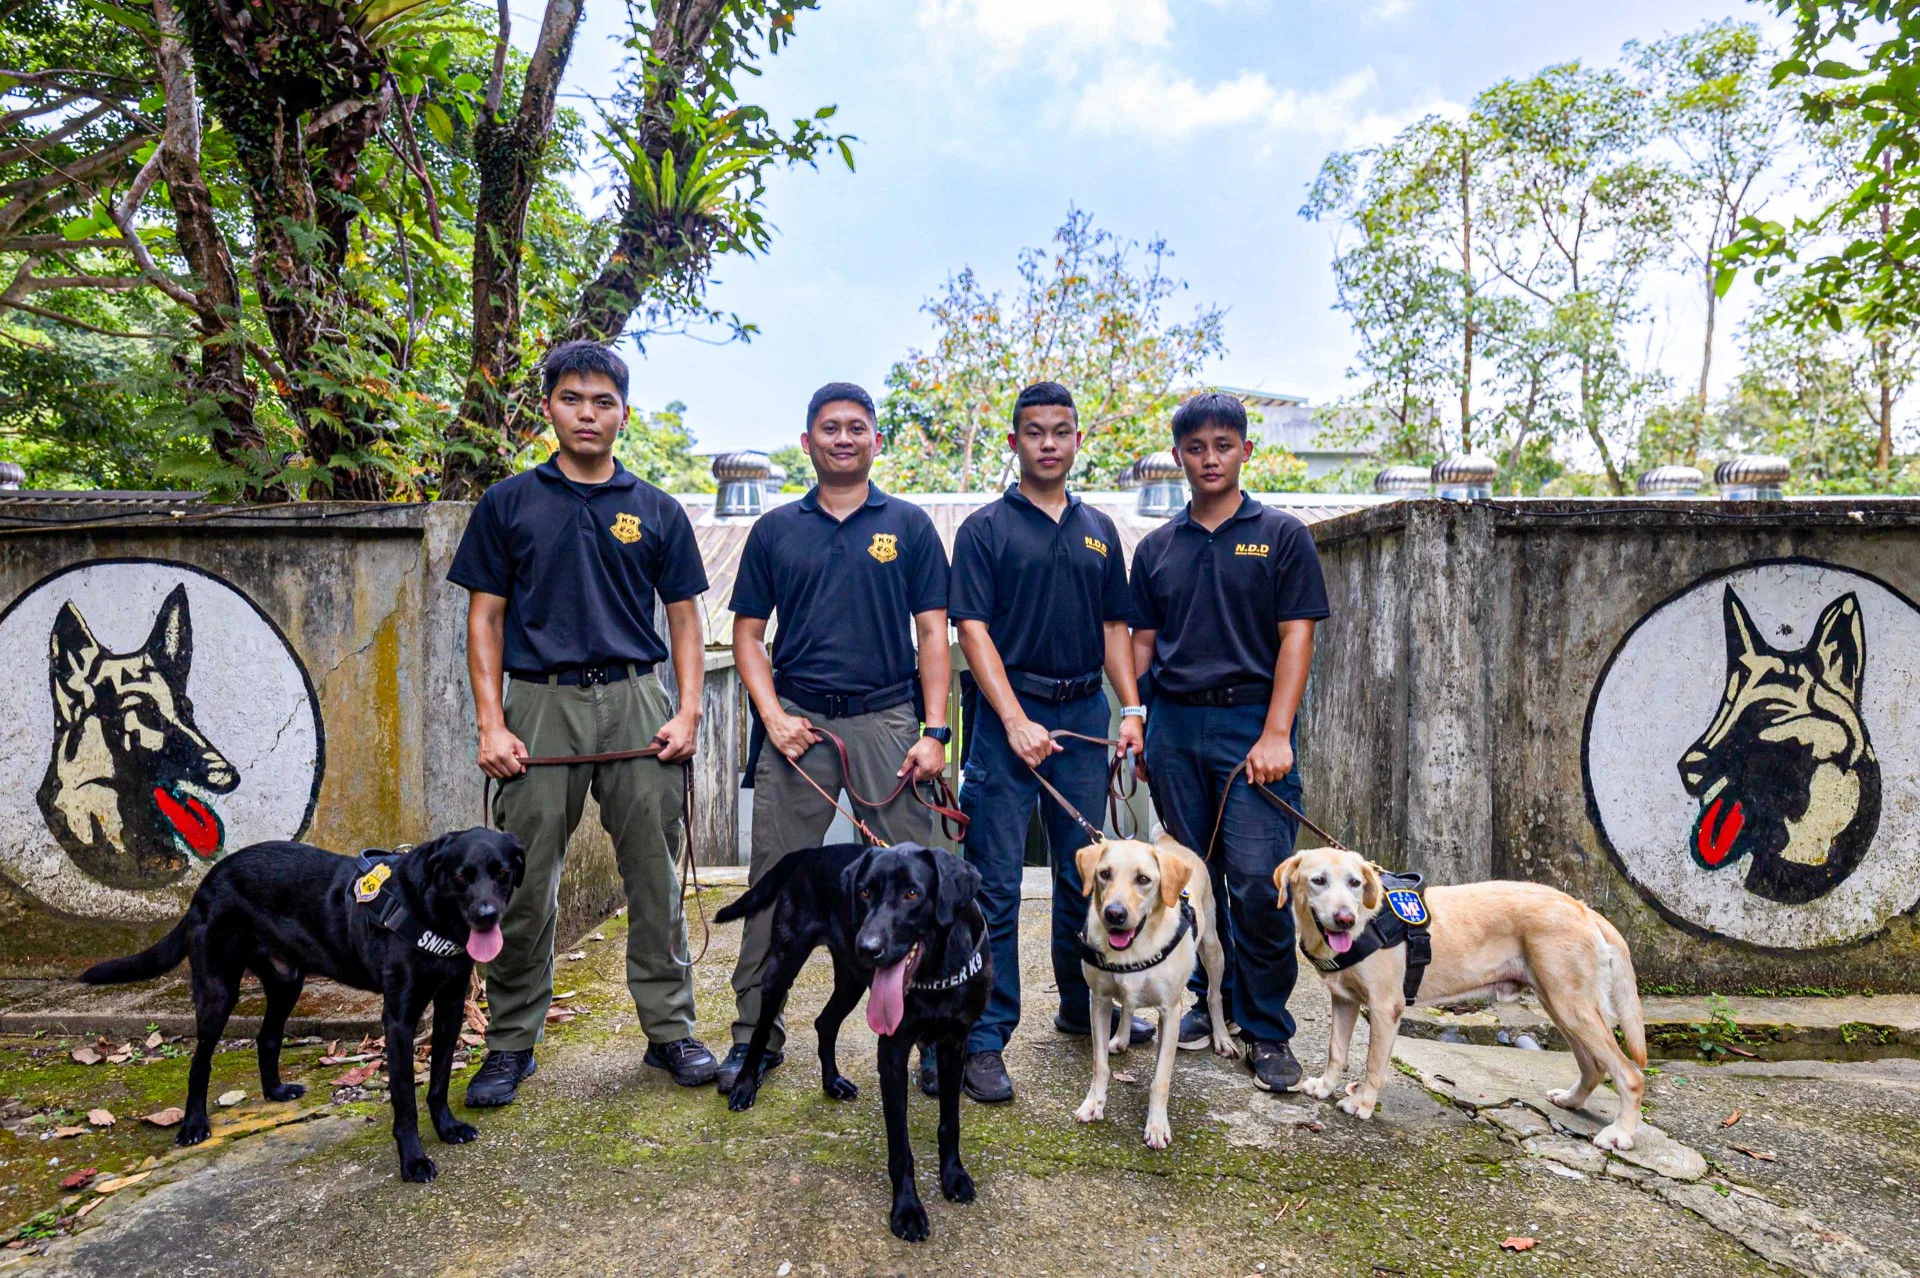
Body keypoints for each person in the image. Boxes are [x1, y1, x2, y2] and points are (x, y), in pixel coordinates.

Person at [448, 340, 718, 1106]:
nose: (588, 414)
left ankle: (670, 1032)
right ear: (549, 409)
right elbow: (484, 620)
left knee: (656, 880)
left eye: (603, 402)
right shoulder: (508, 504)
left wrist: (689, 710)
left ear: (623, 414)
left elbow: (687, 620)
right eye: (573, 399)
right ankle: (509, 1043)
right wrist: (491, 724)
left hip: (637, 699)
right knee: (520, 880)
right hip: (540, 704)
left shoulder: (657, 510)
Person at [717, 381, 952, 1096]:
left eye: (857, 427)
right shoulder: (777, 530)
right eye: (829, 428)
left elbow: (934, 632)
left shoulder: (909, 526)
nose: (843, 438)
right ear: (807, 442)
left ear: (876, 440)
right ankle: (754, 1036)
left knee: (922, 879)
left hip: (887, 720)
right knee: (775, 881)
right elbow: (749, 637)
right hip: (800, 722)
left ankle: (931, 1037)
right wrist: (774, 716)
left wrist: (935, 730)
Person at [946, 381, 1152, 1104]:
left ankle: (1081, 1003)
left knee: (1088, 877)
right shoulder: (984, 530)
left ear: (1075, 439)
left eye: (1061, 431)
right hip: (1010, 718)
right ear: (1014, 442)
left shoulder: (1099, 530)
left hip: (1083, 715)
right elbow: (971, 632)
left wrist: (1130, 708)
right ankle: (984, 1037)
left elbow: (1113, 630)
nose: (1049, 444)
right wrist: (1012, 721)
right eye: (1034, 432)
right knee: (994, 886)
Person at [1128, 391, 1330, 1093]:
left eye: (1223, 445)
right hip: (1175, 728)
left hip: (1252, 727)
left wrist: (1278, 732)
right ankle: (1199, 1005)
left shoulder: (1281, 535)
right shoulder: (1157, 547)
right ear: (1177, 454)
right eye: (1195, 447)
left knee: (1256, 881)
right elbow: (1142, 644)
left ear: (1246, 450)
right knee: (1188, 885)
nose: (1209, 458)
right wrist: (1135, 720)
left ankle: (1266, 1028)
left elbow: (1296, 635)